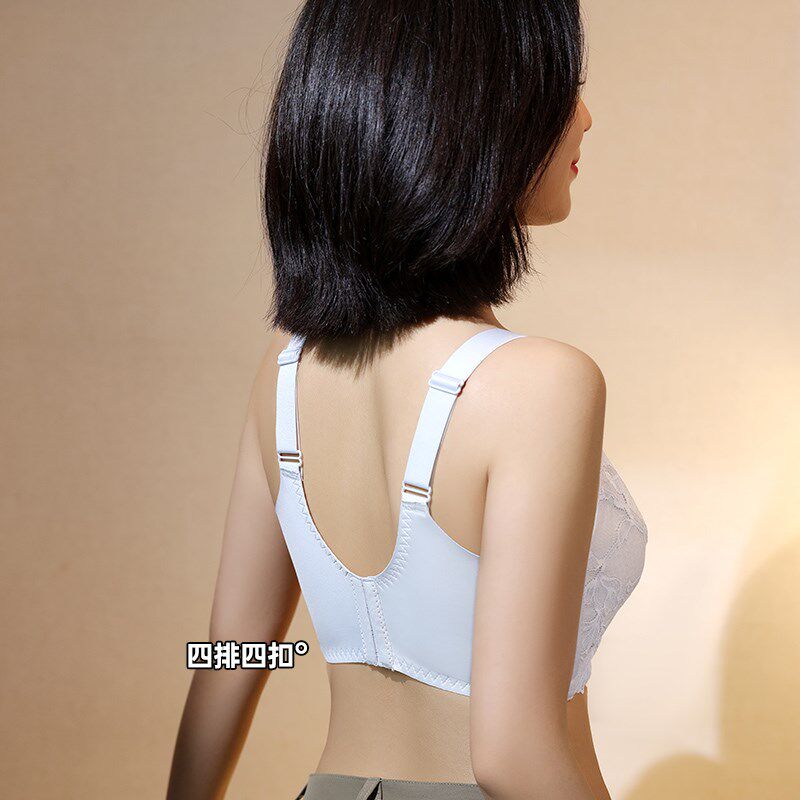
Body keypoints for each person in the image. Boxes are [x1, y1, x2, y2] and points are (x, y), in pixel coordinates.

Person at [167, 1, 648, 798]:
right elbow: (512, 754)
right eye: (566, 85)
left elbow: (233, 651)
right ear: (477, 111)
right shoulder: (540, 384)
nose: (586, 119)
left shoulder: (282, 380)